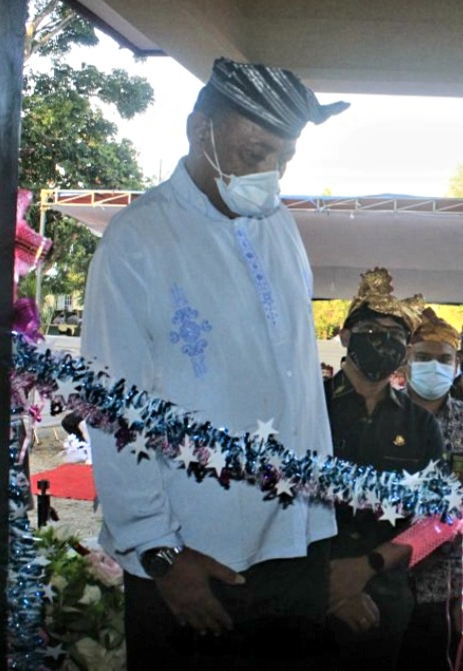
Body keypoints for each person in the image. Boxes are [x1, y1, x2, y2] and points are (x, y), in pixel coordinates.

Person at [82, 57, 348, 670]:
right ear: (198, 130)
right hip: (197, 561)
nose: (271, 174)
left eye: (284, 157)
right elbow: (112, 411)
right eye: (256, 150)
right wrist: (158, 553)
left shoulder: (279, 225)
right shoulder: (138, 241)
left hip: (299, 541)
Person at [324, 268, 445, 671]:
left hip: (385, 599)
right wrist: (329, 585)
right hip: (306, 594)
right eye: (372, 328)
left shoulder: (421, 424)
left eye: (396, 335)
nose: (384, 340)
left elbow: (436, 521)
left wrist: (367, 567)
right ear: (346, 335)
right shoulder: (309, 406)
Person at [397, 308, 463, 670]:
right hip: (385, 577)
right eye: (422, 358)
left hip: (446, 583)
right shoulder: (385, 416)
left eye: (443, 359)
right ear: (407, 360)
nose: (432, 366)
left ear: (456, 365)